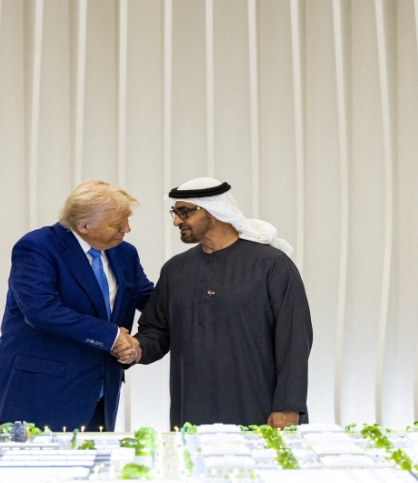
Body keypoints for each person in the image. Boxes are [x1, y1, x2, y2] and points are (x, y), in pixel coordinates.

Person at [133, 177, 312, 429]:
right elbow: (157, 331)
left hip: (259, 409)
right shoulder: (176, 269)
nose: (176, 221)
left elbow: (294, 339)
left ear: (213, 211)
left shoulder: (272, 264)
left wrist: (288, 406)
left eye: (184, 213)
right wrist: (133, 347)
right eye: (175, 213)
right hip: (191, 409)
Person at [0, 180, 154, 431]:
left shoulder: (125, 253)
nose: (127, 229)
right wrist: (112, 337)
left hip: (100, 392)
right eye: (117, 224)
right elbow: (41, 310)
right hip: (39, 392)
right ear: (83, 226)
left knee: (95, 457)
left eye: (126, 221)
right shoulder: (37, 246)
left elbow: (147, 298)